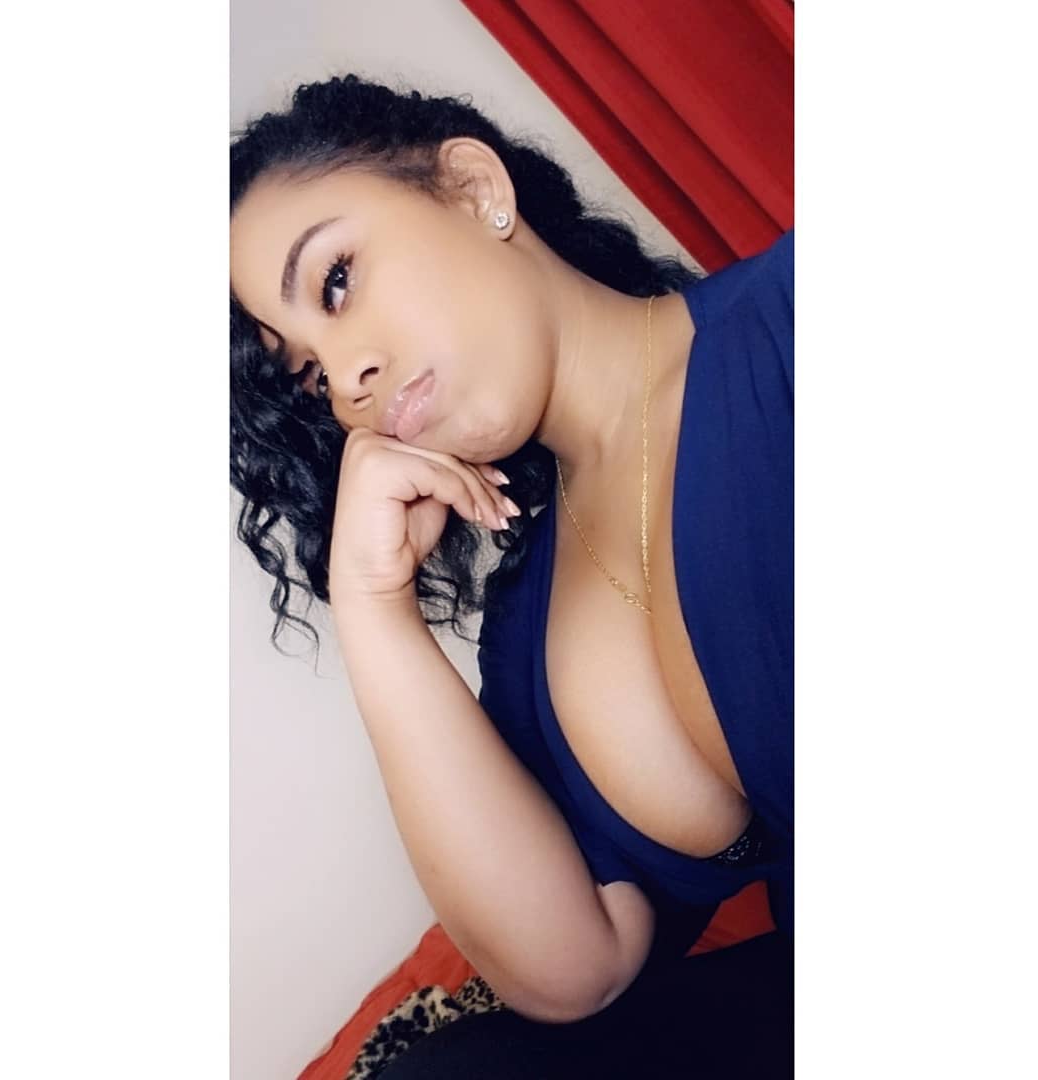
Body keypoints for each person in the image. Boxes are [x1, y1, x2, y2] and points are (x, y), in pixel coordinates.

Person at [230, 74, 793, 1078]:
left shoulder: (795, 323)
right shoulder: (526, 627)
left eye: (336, 282)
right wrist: (373, 608)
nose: (347, 381)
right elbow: (574, 971)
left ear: (473, 188)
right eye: (311, 376)